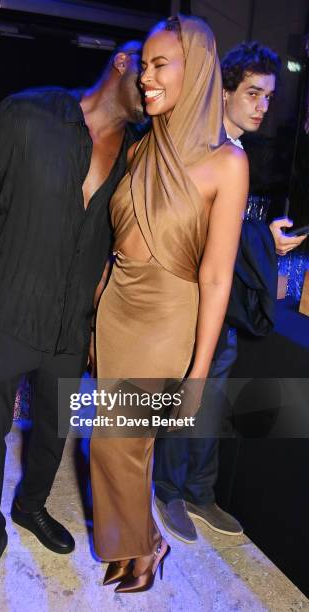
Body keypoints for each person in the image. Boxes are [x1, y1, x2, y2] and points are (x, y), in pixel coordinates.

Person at [0, 42, 145, 605]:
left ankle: (30, 508)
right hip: (3, 308)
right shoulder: (26, 114)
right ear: (122, 62)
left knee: (54, 430)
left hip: (71, 326)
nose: (157, 88)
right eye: (153, 69)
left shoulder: (138, 155)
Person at [89, 14, 249, 593]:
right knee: (119, 442)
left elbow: (215, 277)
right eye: (145, 65)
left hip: (166, 319)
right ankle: (132, 542)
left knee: (119, 441)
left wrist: (200, 372)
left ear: (198, 70)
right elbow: (114, 247)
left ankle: (145, 546)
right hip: (115, 311)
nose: (146, 77)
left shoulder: (227, 163)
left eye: (161, 65)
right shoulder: (139, 151)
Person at [153, 42, 307, 544]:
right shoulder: (203, 147)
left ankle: (200, 491)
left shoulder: (241, 151)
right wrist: (264, 240)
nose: (263, 106)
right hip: (191, 301)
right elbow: (194, 230)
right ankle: (168, 489)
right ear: (223, 93)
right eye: (253, 93)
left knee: (212, 402)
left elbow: (231, 231)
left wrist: (265, 239)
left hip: (226, 305)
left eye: (269, 96)